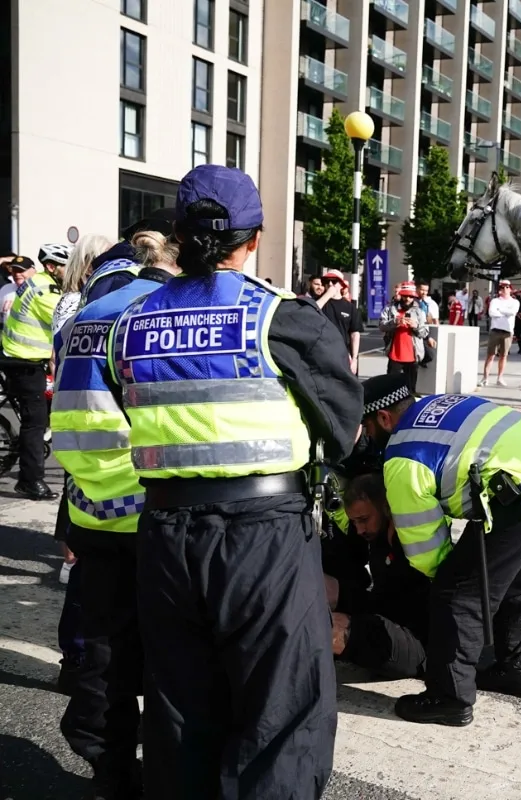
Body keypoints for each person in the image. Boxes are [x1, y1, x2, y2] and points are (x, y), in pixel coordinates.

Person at [105, 165, 362, 798]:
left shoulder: (129, 324)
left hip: (165, 534)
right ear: (255, 238)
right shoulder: (283, 318)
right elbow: (342, 428)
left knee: (179, 708)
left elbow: (132, 405)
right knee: (281, 714)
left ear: (179, 235)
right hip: (264, 536)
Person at [51, 226, 180, 798]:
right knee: (171, 652)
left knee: (104, 653)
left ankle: (109, 772)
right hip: (153, 507)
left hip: (92, 509)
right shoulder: (159, 313)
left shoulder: (85, 314)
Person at [379, 388, 521, 726]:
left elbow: (425, 550)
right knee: (519, 582)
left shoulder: (402, 456)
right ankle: (516, 670)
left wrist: (449, 584)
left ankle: (450, 698)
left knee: (459, 594)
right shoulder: (437, 403)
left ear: (383, 418)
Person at [327, 471, 431, 680]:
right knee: (320, 586)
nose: (359, 529)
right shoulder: (376, 536)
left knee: (327, 627)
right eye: (354, 522)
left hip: (416, 642)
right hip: (383, 614)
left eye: (364, 520)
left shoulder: (410, 538)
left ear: (386, 507)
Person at [1, 247, 67, 500]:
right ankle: (30, 481)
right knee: (34, 423)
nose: (68, 271)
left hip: (20, 358)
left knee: (37, 416)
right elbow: (67, 322)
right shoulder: (45, 291)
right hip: (24, 361)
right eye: (64, 266)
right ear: (51, 267)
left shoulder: (39, 282)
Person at [379, 280, 427, 392]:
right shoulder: (390, 309)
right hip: (395, 354)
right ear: (401, 295)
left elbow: (424, 332)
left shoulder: (419, 311)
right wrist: (395, 322)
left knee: (410, 389)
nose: (408, 299)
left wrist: (416, 326)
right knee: (391, 388)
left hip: (413, 355)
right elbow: (381, 326)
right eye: (405, 296)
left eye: (411, 297)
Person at [314, 268, 363, 373]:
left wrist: (354, 359)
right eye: (327, 281)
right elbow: (312, 311)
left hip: (342, 354)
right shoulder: (320, 302)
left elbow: (355, 334)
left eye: (334, 281)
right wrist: (328, 295)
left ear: (341, 285)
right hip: (322, 353)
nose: (330, 284)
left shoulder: (350, 308)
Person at [482, 279, 520, 386]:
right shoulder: (495, 301)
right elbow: (492, 313)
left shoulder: (514, 302)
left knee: (503, 355)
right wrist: (504, 313)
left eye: (507, 287)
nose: (505, 289)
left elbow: (512, 312)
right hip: (495, 329)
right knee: (490, 355)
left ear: (510, 289)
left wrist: (500, 310)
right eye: (502, 287)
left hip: (507, 331)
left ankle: (500, 377)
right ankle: (485, 378)